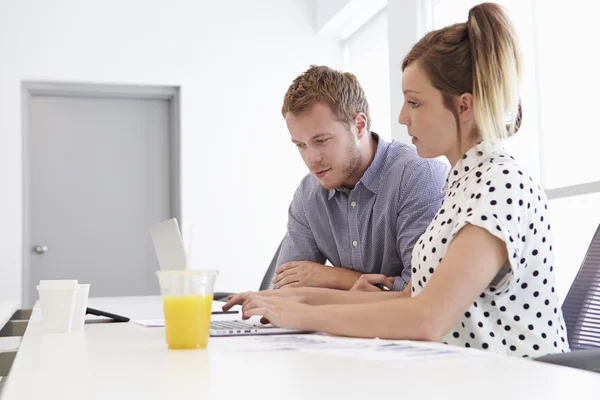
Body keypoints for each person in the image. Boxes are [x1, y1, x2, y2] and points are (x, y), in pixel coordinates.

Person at [225, 2, 570, 357]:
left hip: (516, 383)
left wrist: (300, 315)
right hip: (462, 375)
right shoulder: (464, 183)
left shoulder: (501, 184)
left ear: (464, 107)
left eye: (415, 103)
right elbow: (411, 297)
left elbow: (425, 319)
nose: (402, 118)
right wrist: (294, 298)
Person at [272, 65, 448, 292]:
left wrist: (333, 277)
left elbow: (422, 293)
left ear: (359, 125)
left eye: (322, 140)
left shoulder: (418, 176)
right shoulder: (308, 194)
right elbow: (285, 290)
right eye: (300, 145)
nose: (311, 158)